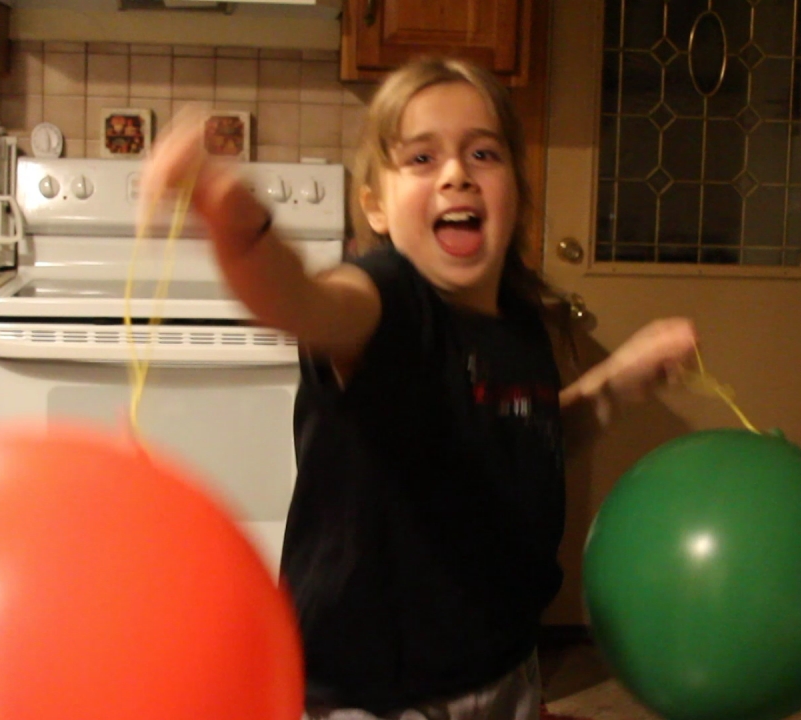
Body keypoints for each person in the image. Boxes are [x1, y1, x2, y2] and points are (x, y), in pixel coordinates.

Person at [138, 56, 699, 720]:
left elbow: (524, 434)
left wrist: (612, 385)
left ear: (516, 188)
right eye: (421, 158)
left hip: (502, 666)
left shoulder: (521, 322)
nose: (456, 173)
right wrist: (237, 222)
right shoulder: (383, 299)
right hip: (373, 694)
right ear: (375, 205)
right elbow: (299, 301)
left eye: (482, 153)